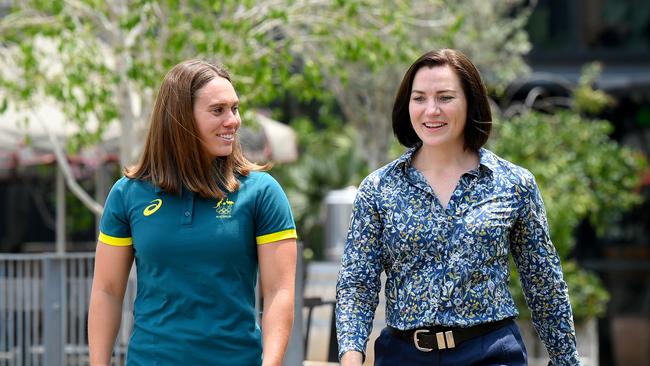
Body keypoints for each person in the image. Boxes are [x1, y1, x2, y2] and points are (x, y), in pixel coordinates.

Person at [336, 49, 580, 366]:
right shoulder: (379, 188)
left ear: (470, 102)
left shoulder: (513, 184)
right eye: (419, 98)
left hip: (491, 353)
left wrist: (566, 360)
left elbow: (543, 282)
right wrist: (351, 358)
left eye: (445, 97)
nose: (431, 110)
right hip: (403, 355)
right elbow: (357, 284)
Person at [88, 59, 297, 366]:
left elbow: (279, 291)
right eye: (218, 110)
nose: (233, 121)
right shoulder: (127, 194)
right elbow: (107, 291)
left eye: (234, 108)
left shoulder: (261, 192)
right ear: (180, 118)